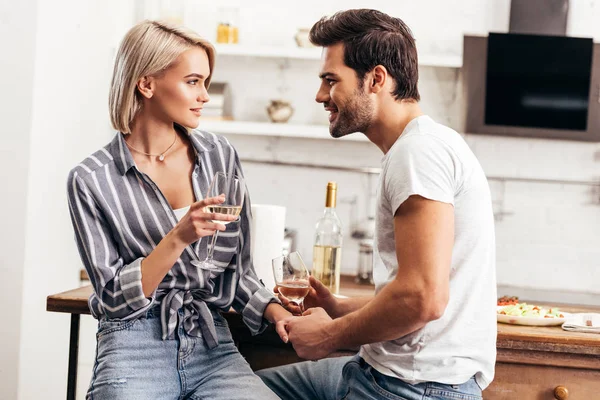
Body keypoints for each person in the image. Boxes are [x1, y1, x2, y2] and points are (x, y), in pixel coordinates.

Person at [259, 9, 497, 400]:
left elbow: (422, 299)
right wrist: (338, 306)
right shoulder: (427, 143)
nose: (320, 95)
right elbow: (412, 292)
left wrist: (328, 335)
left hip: (409, 389)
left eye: (330, 80)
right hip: (392, 375)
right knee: (241, 389)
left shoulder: (416, 154)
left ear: (376, 79)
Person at [67, 20, 289, 399]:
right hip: (133, 345)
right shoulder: (91, 179)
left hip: (211, 343)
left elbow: (237, 271)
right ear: (147, 83)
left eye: (206, 81)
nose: (205, 95)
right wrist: (178, 237)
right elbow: (110, 299)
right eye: (193, 81)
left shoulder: (220, 155)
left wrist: (275, 311)